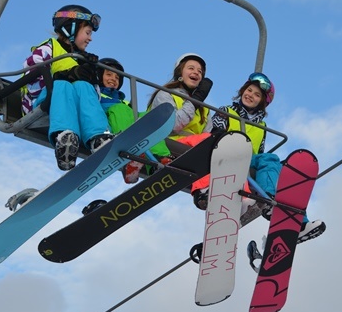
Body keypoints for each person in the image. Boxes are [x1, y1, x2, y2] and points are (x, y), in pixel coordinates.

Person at [194, 72, 326, 243]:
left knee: (281, 169)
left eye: (257, 95)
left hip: (249, 160)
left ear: (262, 102)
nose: (250, 95)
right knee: (270, 160)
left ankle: (299, 223)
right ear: (242, 91)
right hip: (226, 152)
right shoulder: (226, 112)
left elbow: (260, 152)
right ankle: (269, 200)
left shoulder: (262, 126)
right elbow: (214, 137)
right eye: (249, 90)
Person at [24, 4, 113, 171]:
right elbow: (31, 73)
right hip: (43, 101)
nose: (90, 39)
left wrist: (91, 76)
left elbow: (94, 98)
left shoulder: (81, 58)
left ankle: (98, 137)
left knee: (83, 86)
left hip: (71, 106)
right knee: (63, 84)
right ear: (71, 29)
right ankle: (65, 138)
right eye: (88, 32)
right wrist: (61, 76)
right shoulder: (50, 47)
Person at [121, 53, 214, 184]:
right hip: (168, 141)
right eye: (191, 68)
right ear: (180, 73)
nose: (196, 72)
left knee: (212, 144)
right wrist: (194, 101)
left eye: (200, 71)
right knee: (208, 144)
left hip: (195, 147)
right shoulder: (166, 94)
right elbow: (172, 125)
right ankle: (154, 162)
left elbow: (207, 134)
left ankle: (207, 187)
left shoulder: (204, 109)